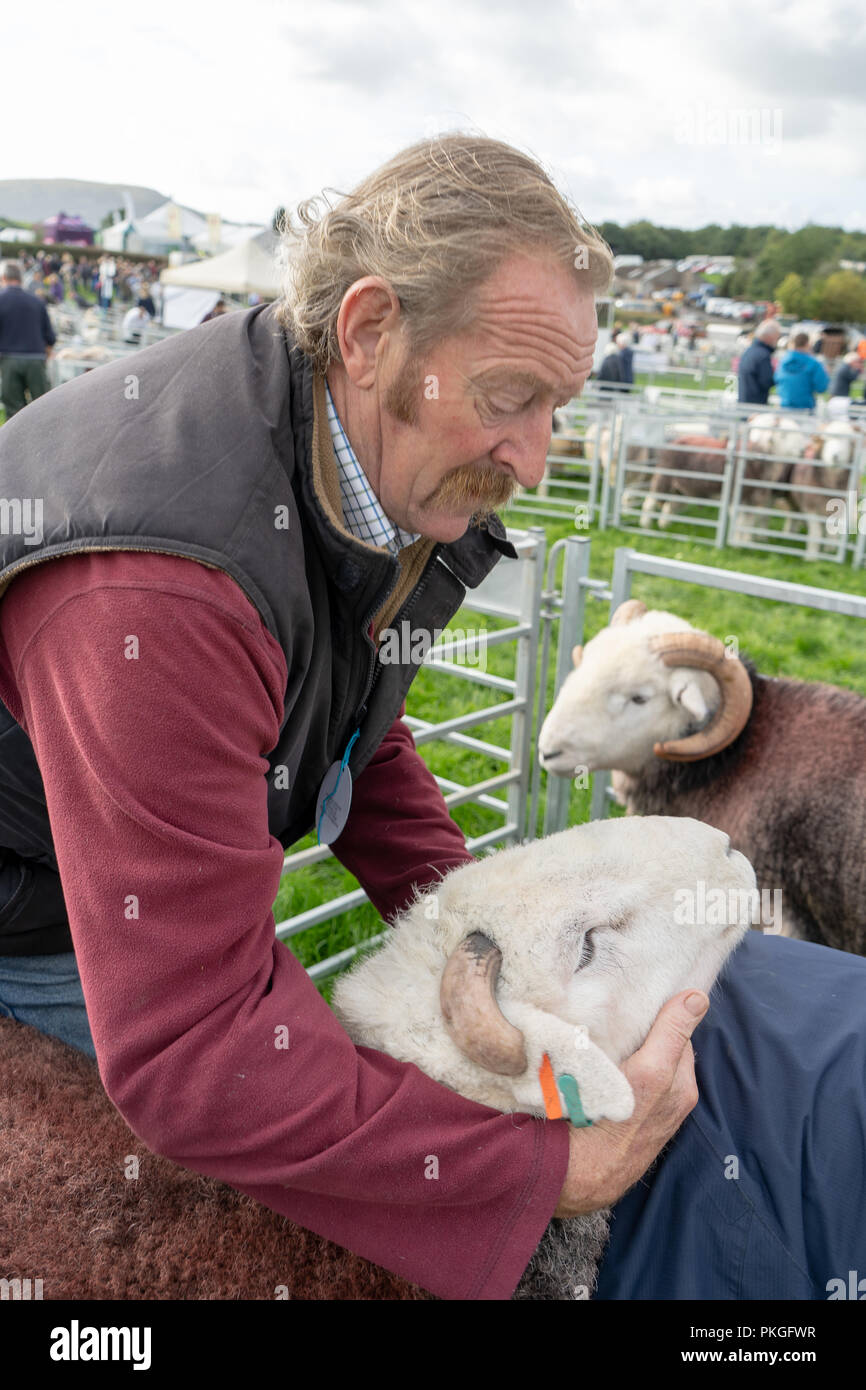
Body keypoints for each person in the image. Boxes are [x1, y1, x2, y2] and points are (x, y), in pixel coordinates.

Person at [0, 135, 862, 1303]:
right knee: (198, 1219)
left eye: (557, 405)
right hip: (36, 898)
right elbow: (192, 1053)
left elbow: (355, 709)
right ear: (367, 328)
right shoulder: (160, 583)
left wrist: (487, 941)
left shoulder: (355, 442)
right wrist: (539, 1164)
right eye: (510, 397)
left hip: (141, 837)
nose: (536, 455)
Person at [0, 259, 56, 418]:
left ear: (3, 277)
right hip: (36, 358)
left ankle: (15, 443)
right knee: (42, 407)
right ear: (21, 278)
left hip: (8, 359)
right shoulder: (37, 302)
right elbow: (50, 338)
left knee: (13, 412)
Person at [775, 330, 830, 409]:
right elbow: (821, 388)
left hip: (784, 407)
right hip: (805, 408)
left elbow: (777, 380)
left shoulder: (782, 362)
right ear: (807, 344)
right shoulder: (813, 363)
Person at [736, 318, 780, 404]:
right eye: (776, 337)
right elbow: (767, 381)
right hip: (756, 406)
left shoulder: (750, 351)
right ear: (769, 337)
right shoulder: (762, 355)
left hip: (744, 403)